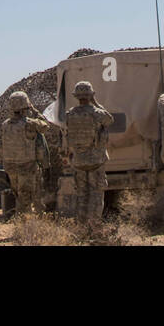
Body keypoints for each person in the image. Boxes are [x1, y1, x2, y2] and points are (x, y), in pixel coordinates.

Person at [65, 81, 113, 224]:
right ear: (91, 95)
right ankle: (94, 227)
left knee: (82, 196)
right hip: (95, 161)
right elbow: (109, 119)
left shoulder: (70, 114)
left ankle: (81, 227)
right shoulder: (97, 113)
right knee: (96, 196)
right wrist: (96, 102)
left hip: (79, 161)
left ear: (76, 96)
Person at [0, 90, 50, 217]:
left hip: (10, 168)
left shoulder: (5, 125)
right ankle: (25, 229)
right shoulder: (30, 123)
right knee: (26, 200)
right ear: (25, 106)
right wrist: (34, 110)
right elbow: (46, 126)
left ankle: (22, 222)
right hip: (27, 167)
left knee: (19, 197)